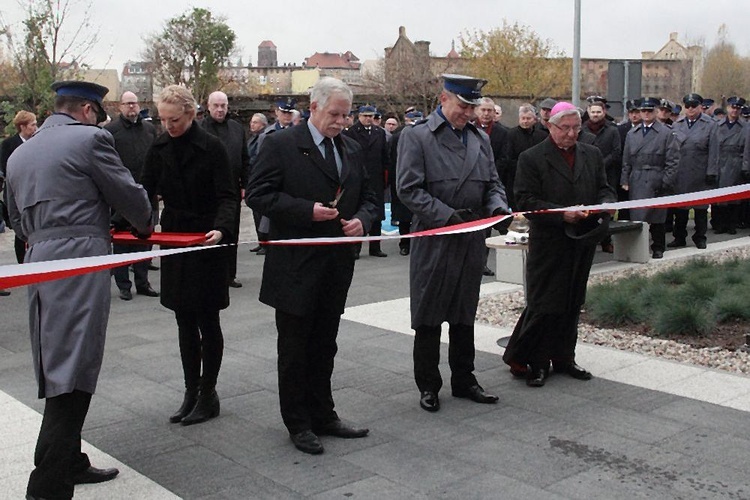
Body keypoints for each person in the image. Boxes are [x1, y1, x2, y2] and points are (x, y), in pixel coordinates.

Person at [6, 80, 153, 500]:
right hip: (81, 257)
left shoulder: (20, 153)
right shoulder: (91, 140)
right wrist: (143, 224)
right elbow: (129, 197)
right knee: (74, 370)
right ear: (88, 110)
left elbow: (15, 219)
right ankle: (47, 487)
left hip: (39, 260)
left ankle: (69, 460)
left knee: (55, 361)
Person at [246, 77, 378, 455]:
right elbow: (258, 194)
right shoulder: (281, 144)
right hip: (295, 265)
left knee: (325, 343)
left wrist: (364, 221)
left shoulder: (350, 149)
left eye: (345, 115)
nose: (340, 121)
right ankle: (298, 422)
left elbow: (369, 196)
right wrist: (306, 211)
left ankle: (324, 414)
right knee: (294, 347)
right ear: (314, 107)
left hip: (336, 263)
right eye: (334, 114)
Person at [397, 74, 510, 413]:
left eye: (473, 107)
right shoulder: (416, 136)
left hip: (472, 237)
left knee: (464, 313)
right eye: (464, 106)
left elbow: (493, 183)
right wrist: (447, 216)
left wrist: (498, 207)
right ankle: (428, 385)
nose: (470, 113)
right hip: (436, 237)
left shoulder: (480, 139)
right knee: (429, 314)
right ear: (444, 98)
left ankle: (465, 379)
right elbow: (408, 189)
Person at [140, 85, 237, 427]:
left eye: (175, 119)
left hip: (206, 237)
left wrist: (222, 229)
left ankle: (208, 393)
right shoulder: (160, 145)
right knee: (183, 317)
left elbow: (228, 196)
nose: (169, 126)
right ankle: (190, 390)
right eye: (163, 120)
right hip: (175, 236)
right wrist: (131, 222)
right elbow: (145, 190)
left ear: (192, 114)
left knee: (207, 318)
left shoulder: (212, 147)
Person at [502, 102, 616, 387]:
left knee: (572, 301)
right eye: (565, 128)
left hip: (582, 239)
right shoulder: (532, 157)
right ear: (551, 127)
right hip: (550, 240)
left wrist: (606, 203)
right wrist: (561, 213)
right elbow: (526, 201)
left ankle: (565, 358)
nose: (571, 134)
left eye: (577, 128)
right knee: (545, 304)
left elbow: (604, 187)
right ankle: (538, 362)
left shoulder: (592, 153)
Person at [105, 91, 160, 300]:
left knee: (145, 241)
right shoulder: (111, 132)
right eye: (128, 104)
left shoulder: (149, 129)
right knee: (121, 243)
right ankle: (124, 286)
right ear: (120, 106)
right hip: (121, 196)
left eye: (135, 103)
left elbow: (156, 159)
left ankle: (143, 282)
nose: (132, 107)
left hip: (147, 194)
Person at [200, 91, 250, 288]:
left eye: (223, 106)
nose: (220, 110)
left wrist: (245, 184)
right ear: (208, 106)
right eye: (216, 106)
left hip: (232, 190)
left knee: (231, 233)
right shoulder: (199, 129)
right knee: (210, 233)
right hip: (207, 191)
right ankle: (209, 274)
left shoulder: (237, 129)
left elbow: (245, 159)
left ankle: (229, 274)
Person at [621, 97, 680, 259]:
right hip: (637, 177)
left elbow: (673, 160)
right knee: (638, 217)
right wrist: (624, 180)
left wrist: (666, 181)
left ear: (656, 111)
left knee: (657, 217)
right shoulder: (632, 134)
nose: (646, 114)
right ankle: (639, 248)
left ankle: (658, 247)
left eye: (649, 110)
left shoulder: (666, 133)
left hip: (656, 177)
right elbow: (626, 160)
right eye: (643, 111)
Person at [669, 93, 718, 248]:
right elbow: (672, 150)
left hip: (700, 171)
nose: (690, 109)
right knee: (680, 208)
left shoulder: (710, 124)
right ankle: (679, 236)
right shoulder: (677, 124)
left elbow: (714, 151)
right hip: (681, 171)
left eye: (694, 106)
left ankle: (700, 237)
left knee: (700, 208)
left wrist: (712, 171)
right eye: (687, 106)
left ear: (700, 107)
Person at [344, 104, 390, 258]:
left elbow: (385, 156)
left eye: (371, 116)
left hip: (376, 177)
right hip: (359, 177)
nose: (369, 119)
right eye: (365, 116)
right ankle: (355, 248)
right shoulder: (351, 133)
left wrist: (386, 178)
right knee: (358, 212)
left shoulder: (379, 133)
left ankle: (375, 247)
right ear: (359, 116)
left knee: (376, 213)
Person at [475, 96, 509, 275]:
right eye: (484, 110)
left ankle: (482, 263)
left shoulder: (502, 133)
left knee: (486, 230)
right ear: (477, 111)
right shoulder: (469, 130)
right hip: (473, 183)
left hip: (492, 183)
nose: (487, 114)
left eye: (490, 110)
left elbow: (505, 157)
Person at [584, 100, 622, 253]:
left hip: (607, 175)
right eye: (593, 112)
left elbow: (616, 152)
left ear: (604, 112)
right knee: (588, 211)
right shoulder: (583, 129)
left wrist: (600, 165)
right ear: (588, 112)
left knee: (606, 211)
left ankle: (607, 241)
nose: (595, 115)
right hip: (586, 176)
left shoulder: (612, 130)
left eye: (598, 112)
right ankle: (589, 242)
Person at [1, 110, 38, 268]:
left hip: (35, 190)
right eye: (33, 124)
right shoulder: (9, 145)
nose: (36, 127)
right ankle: (23, 265)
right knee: (20, 230)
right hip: (17, 192)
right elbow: (5, 167)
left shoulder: (38, 142)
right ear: (22, 126)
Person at [709, 96, 748, 234]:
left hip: (735, 163)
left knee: (734, 198)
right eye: (733, 107)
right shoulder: (717, 125)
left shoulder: (745, 127)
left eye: (738, 108)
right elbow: (712, 148)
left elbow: (747, 149)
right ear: (727, 108)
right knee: (719, 198)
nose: (734, 110)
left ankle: (732, 225)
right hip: (720, 163)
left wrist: (745, 167)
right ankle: (720, 225)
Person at [388, 109, 423, 256]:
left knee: (420, 214)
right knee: (404, 216)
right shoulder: (398, 136)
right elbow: (390, 159)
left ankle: (415, 243)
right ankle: (405, 243)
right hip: (402, 177)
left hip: (420, 178)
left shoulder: (425, 134)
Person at [502, 104, 548, 210]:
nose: (525, 121)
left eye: (528, 118)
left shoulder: (542, 136)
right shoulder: (510, 135)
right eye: (523, 118)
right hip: (514, 177)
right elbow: (508, 157)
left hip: (536, 177)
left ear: (534, 120)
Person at [247, 112, 268, 253]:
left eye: (255, 122)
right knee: (256, 213)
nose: (252, 124)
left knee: (262, 213)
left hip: (260, 178)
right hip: (251, 179)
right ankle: (261, 241)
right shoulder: (252, 139)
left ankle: (265, 242)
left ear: (263, 124)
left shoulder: (265, 137)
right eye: (251, 122)